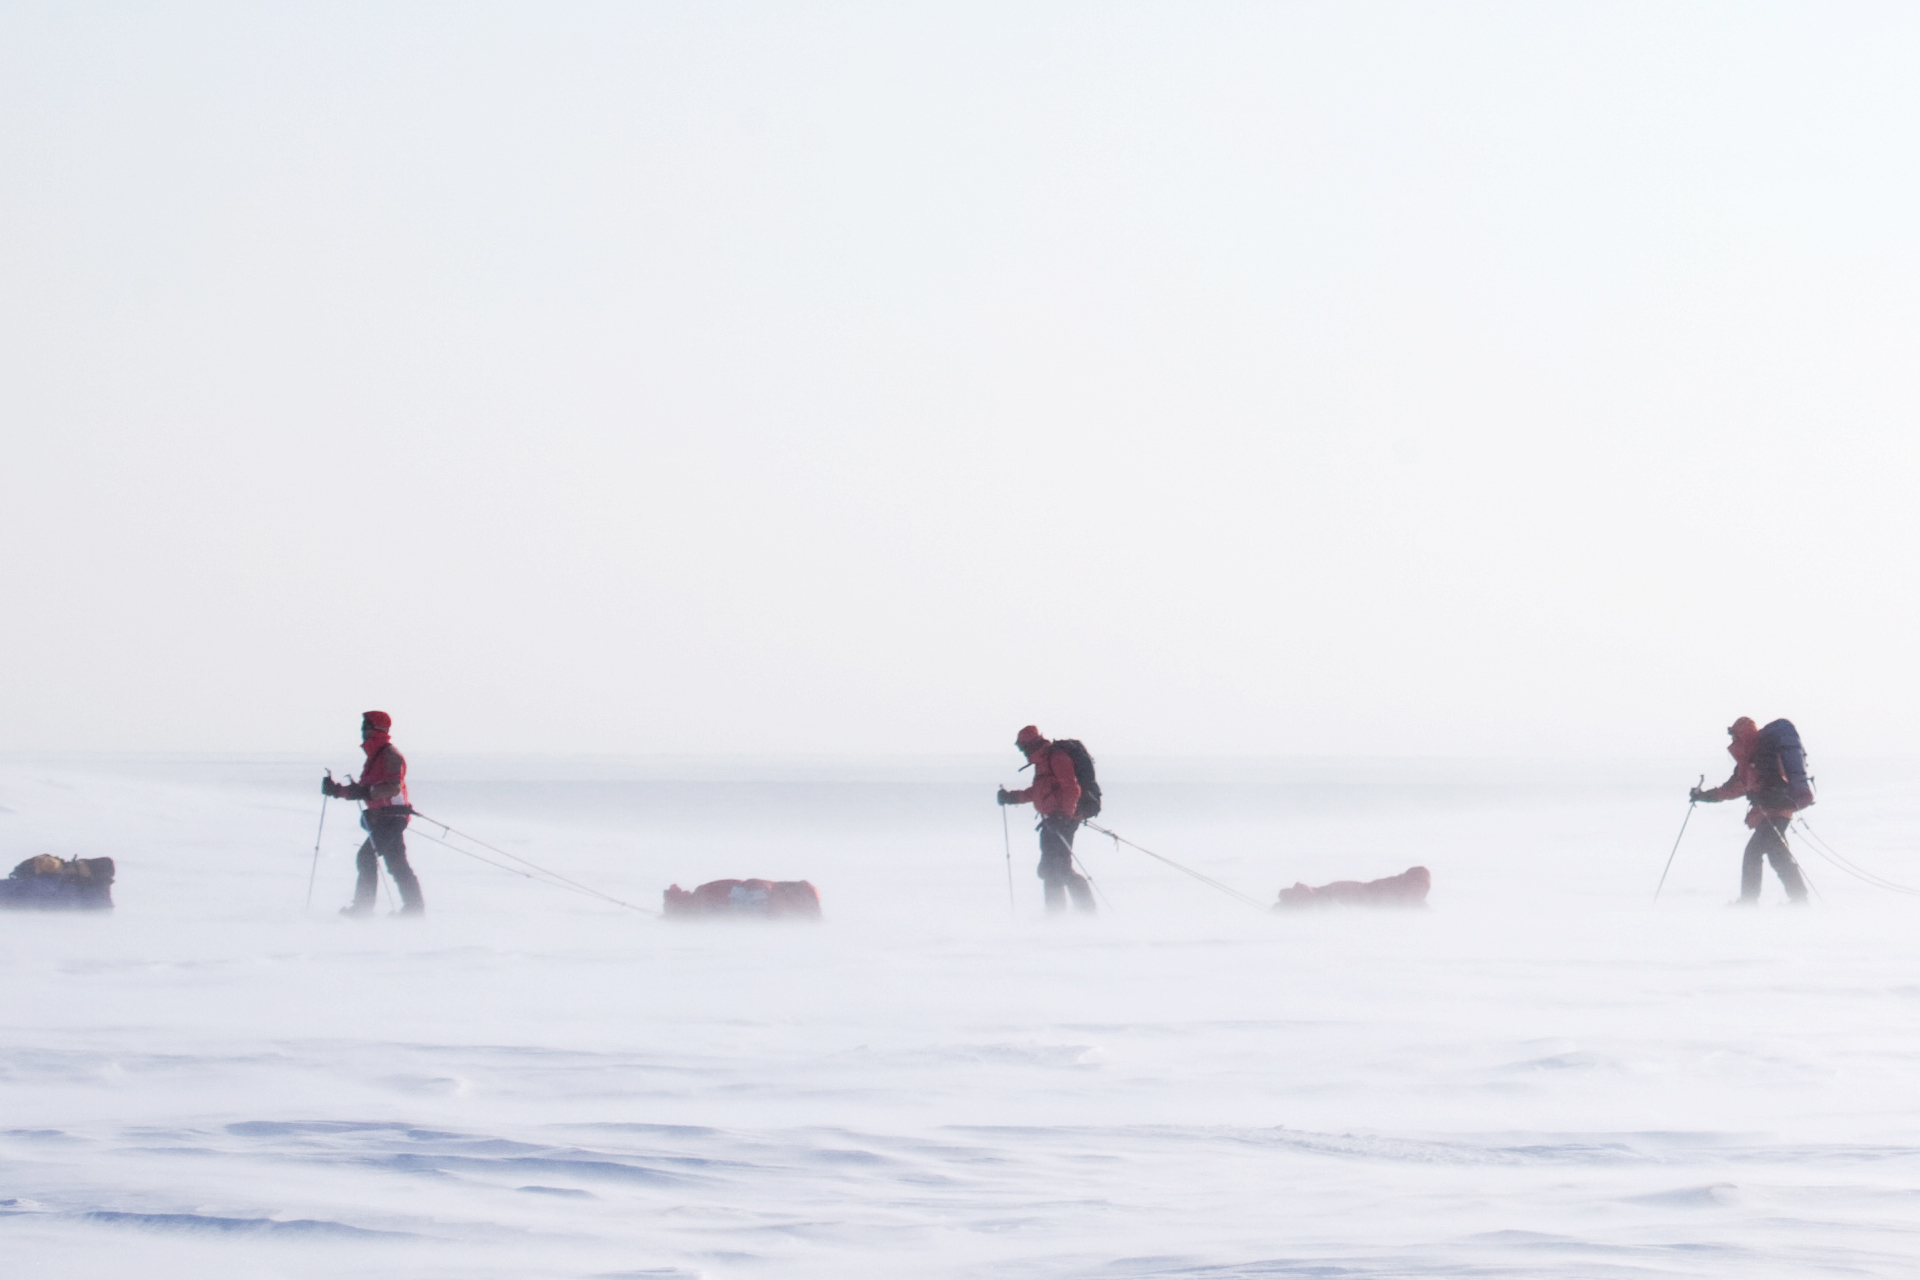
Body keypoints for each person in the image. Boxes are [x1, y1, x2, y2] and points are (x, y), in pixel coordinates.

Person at [1690, 716, 1809, 905]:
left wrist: (1703, 796)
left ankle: (1748, 903)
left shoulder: (1761, 756)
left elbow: (1738, 787)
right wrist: (1704, 796)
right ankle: (1800, 900)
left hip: (1776, 813)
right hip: (1772, 813)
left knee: (1753, 853)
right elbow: (1732, 788)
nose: (1733, 741)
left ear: (1742, 735)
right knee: (1778, 856)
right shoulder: (1750, 759)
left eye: (1735, 736)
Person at [323, 710, 425, 916]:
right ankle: (414, 910)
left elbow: (392, 787)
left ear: (376, 729)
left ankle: (363, 909)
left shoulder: (389, 755)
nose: (362, 731)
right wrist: (337, 791)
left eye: (365, 727)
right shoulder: (375, 756)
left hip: (392, 818)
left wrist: (366, 791)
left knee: (366, 857)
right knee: (396, 863)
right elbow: (365, 789)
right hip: (382, 818)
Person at [996, 725, 1094, 914]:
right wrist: (1012, 797)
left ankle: (1088, 913)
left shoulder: (1056, 758)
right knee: (1049, 870)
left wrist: (1065, 816)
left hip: (1063, 821)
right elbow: (1040, 792)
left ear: (1030, 744)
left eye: (1022, 747)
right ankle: (1054, 915)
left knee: (1062, 869)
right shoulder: (1042, 762)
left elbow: (1072, 788)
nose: (1022, 752)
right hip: (1051, 821)